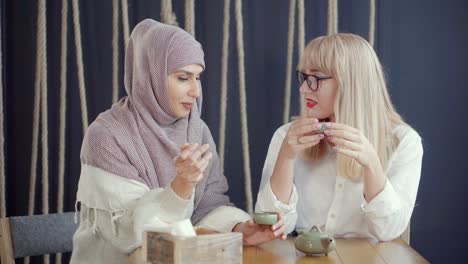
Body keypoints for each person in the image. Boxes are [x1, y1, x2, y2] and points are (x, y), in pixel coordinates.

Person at [70, 19, 285, 264]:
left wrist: (239, 229)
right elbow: (129, 234)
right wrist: (182, 185)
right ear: (150, 75)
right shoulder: (107, 136)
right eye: (184, 78)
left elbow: (208, 205)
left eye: (198, 77)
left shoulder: (197, 130)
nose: (195, 91)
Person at [255, 33, 423, 242]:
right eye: (304, 77)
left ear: (350, 82)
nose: (303, 88)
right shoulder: (287, 136)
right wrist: (286, 157)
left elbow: (388, 230)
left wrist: (371, 163)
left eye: (315, 78)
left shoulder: (404, 141)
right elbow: (269, 226)